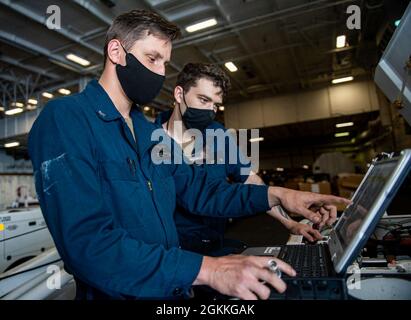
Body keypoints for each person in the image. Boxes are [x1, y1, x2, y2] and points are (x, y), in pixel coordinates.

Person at [28, 10, 350, 300]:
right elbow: (88, 245)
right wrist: (209, 270)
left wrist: (278, 195)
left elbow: (201, 191)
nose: (159, 72)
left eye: (165, 63)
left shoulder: (149, 133)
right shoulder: (66, 120)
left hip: (175, 290)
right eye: (152, 58)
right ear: (116, 52)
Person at [156, 63, 324, 256]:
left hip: (214, 242)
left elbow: (249, 179)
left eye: (215, 105)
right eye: (203, 100)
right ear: (179, 94)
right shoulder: (150, 140)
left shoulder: (218, 135)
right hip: (172, 251)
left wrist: (290, 222)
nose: (210, 111)